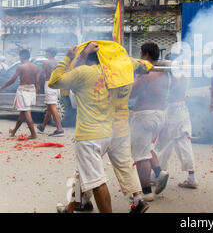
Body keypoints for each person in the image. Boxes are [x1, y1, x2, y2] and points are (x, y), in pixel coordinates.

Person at [71, 43, 151, 213]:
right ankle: (138, 199)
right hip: (122, 126)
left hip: (101, 126)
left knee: (85, 169)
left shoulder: (105, 72)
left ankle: (79, 203)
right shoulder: (126, 67)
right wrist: (147, 64)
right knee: (125, 165)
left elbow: (71, 74)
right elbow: (141, 64)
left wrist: (82, 54)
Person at [49, 44, 114, 213]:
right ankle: (70, 208)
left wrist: (68, 57)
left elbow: (54, 81)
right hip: (106, 134)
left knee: (96, 181)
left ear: (86, 56)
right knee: (81, 174)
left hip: (88, 137)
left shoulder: (84, 72)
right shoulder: (110, 72)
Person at [130, 42, 170, 200]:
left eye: (141, 53)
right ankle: (160, 173)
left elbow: (132, 93)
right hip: (159, 114)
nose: (139, 56)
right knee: (148, 148)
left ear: (146, 55)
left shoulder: (146, 74)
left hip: (145, 116)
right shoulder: (164, 72)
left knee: (140, 156)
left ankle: (146, 192)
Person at [156, 52, 198, 189]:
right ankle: (190, 177)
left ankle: (158, 174)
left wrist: (165, 64)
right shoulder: (182, 71)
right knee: (171, 142)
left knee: (170, 143)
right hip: (178, 109)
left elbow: (173, 85)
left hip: (174, 110)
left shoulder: (177, 72)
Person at [0, 49, 39, 139]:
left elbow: (13, 79)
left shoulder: (21, 67)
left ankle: (33, 134)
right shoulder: (36, 67)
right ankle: (14, 131)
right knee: (23, 112)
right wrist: (36, 92)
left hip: (23, 90)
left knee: (26, 111)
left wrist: (2, 87)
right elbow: (38, 81)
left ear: (21, 57)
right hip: (31, 89)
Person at [37, 47, 64, 137]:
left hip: (49, 84)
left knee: (52, 106)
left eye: (46, 52)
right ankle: (42, 126)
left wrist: (38, 84)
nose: (45, 53)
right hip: (56, 85)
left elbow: (42, 73)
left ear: (49, 53)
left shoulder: (46, 62)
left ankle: (59, 129)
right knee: (49, 106)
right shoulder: (58, 62)